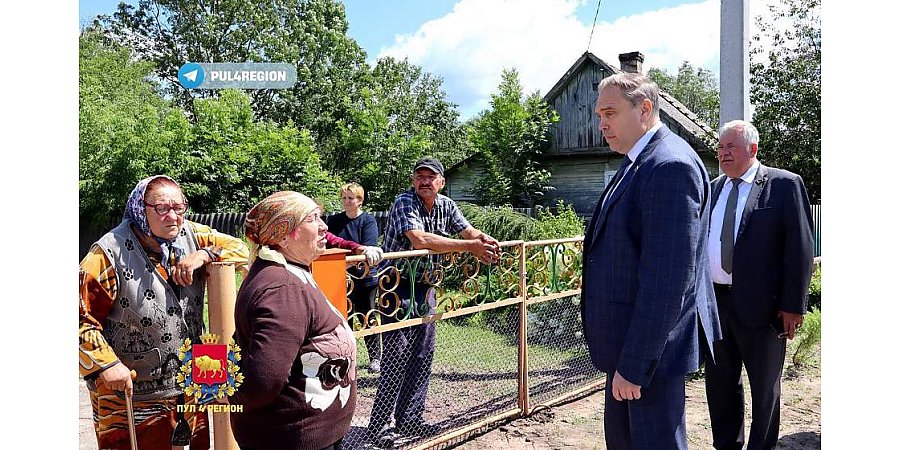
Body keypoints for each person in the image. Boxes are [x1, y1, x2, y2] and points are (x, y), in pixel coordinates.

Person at [580, 73, 721, 450]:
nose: (601, 124)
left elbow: (668, 281)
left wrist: (634, 365)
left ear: (644, 109)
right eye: (598, 115)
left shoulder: (669, 166)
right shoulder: (638, 160)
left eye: (610, 112)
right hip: (630, 351)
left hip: (648, 358)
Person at [79, 175, 249, 450]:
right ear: (140, 208)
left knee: (201, 441)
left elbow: (241, 248)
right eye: (162, 208)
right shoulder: (108, 253)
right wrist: (106, 364)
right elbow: (78, 317)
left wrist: (205, 254)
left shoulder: (193, 235)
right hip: (133, 390)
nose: (173, 216)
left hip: (199, 370)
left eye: (179, 207)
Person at [367, 157, 500, 446]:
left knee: (422, 355)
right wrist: (470, 247)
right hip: (397, 288)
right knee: (395, 357)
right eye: (420, 177)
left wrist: (484, 240)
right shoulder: (404, 201)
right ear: (413, 180)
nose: (424, 182)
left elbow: (468, 230)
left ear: (441, 182)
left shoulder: (447, 205)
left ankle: (410, 419)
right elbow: (419, 239)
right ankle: (379, 427)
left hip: (426, 287)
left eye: (431, 177)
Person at [704, 120, 815, 450]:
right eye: (721, 148)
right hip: (716, 305)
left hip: (764, 309)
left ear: (752, 149)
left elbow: (800, 248)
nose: (723, 154)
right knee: (720, 385)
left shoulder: (782, 185)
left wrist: (794, 306)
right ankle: (726, 445)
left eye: (731, 147)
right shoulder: (713, 189)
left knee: (765, 390)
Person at [230, 191, 357, 450]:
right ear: (284, 235)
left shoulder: (290, 271)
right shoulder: (281, 288)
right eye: (312, 219)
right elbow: (263, 381)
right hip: (292, 438)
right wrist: (225, 397)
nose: (324, 227)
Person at [326, 182, 384, 373]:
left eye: (350, 198)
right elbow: (329, 246)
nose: (346, 202)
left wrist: (348, 259)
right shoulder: (334, 221)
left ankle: (375, 357)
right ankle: (346, 356)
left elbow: (368, 247)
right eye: (344, 198)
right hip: (339, 276)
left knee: (368, 316)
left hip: (364, 277)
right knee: (343, 318)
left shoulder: (368, 221)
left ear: (360, 200)